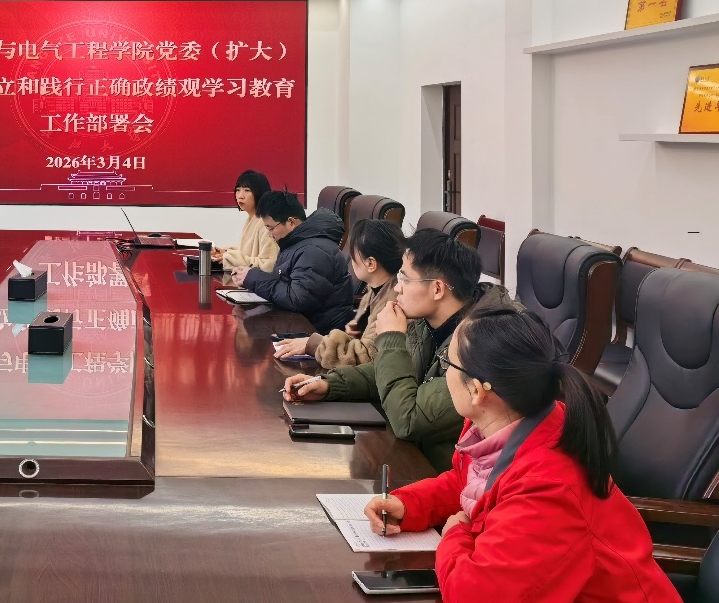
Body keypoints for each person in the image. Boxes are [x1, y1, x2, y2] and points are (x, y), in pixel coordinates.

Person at [364, 308, 681, 603]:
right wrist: (410, 504)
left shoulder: (546, 488)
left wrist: (456, 534)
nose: (444, 371)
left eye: (448, 361)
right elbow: (467, 483)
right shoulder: (504, 428)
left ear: (477, 391)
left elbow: (473, 596)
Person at [284, 229, 516, 469]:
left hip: (451, 473)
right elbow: (391, 371)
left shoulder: (484, 343)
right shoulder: (428, 319)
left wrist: (391, 338)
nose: (397, 288)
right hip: (418, 458)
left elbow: (409, 420)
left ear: (437, 289)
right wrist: (331, 385)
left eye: (404, 279)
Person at [273, 218, 403, 368]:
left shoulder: (392, 305)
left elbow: (366, 357)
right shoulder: (375, 291)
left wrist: (314, 344)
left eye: (353, 255)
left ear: (370, 263)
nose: (351, 261)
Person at [234, 191, 355, 334]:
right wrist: (251, 278)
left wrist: (254, 278)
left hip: (319, 334)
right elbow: (284, 284)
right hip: (299, 324)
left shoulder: (314, 252)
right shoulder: (295, 244)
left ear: (291, 222)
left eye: (271, 228)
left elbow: (298, 300)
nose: (269, 234)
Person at [216, 170, 279, 273]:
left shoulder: (265, 223)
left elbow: (269, 265)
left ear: (259, 193)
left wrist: (230, 258)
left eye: (247, 190)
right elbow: (247, 254)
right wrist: (225, 252)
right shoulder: (252, 219)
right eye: (238, 190)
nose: (240, 196)